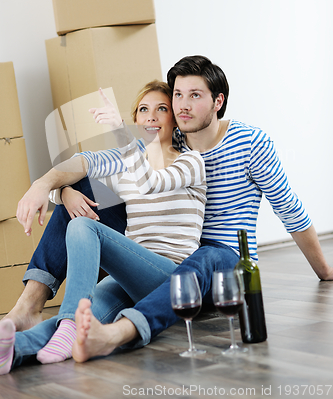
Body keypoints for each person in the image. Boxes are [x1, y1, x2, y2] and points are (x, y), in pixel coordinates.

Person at [5, 55, 333, 357]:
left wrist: (325, 272)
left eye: (195, 95)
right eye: (177, 96)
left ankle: (119, 332)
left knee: (209, 254)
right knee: (84, 190)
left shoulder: (248, 143)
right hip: (162, 262)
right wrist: (53, 187)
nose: (183, 105)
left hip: (222, 260)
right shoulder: (167, 142)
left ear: (218, 101)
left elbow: (288, 207)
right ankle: (20, 336)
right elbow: (93, 162)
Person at [0, 81, 206, 374]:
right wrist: (62, 192)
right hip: (128, 275)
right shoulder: (126, 167)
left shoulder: (191, 162)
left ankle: (68, 320)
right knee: (80, 324)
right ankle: (13, 348)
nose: (151, 117)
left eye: (161, 109)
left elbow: (152, 182)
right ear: (137, 120)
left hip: (169, 276)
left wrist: (121, 134)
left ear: (173, 118)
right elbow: (82, 168)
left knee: (84, 227)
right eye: (143, 110)